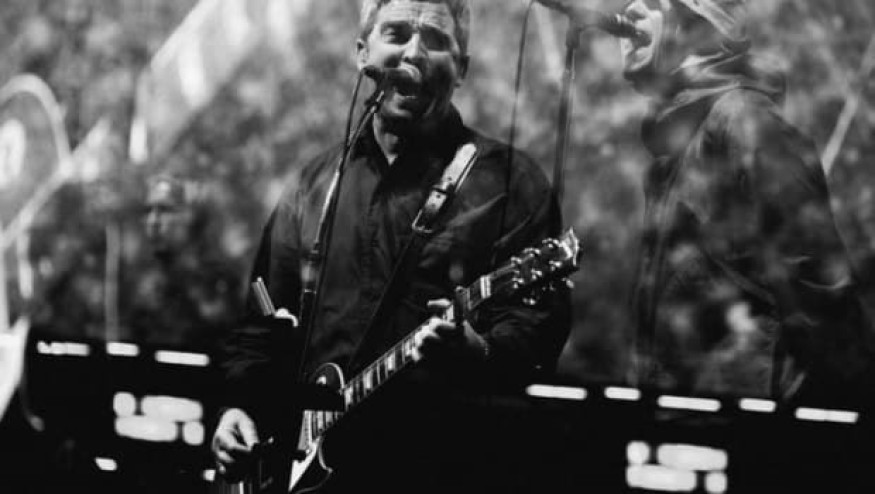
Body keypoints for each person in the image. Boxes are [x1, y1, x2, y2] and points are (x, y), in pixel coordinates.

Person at [211, 1, 570, 492]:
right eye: (397, 33)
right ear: (363, 53)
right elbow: (263, 322)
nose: (415, 52)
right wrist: (240, 405)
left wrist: (480, 350)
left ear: (461, 69)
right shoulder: (315, 183)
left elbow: (538, 330)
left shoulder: (510, 183)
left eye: (436, 40)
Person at [620, 0, 874, 406]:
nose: (632, 11)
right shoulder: (676, 147)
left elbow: (823, 293)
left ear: (703, 26)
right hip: (686, 416)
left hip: (745, 426)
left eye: (657, 2)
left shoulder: (745, 124)